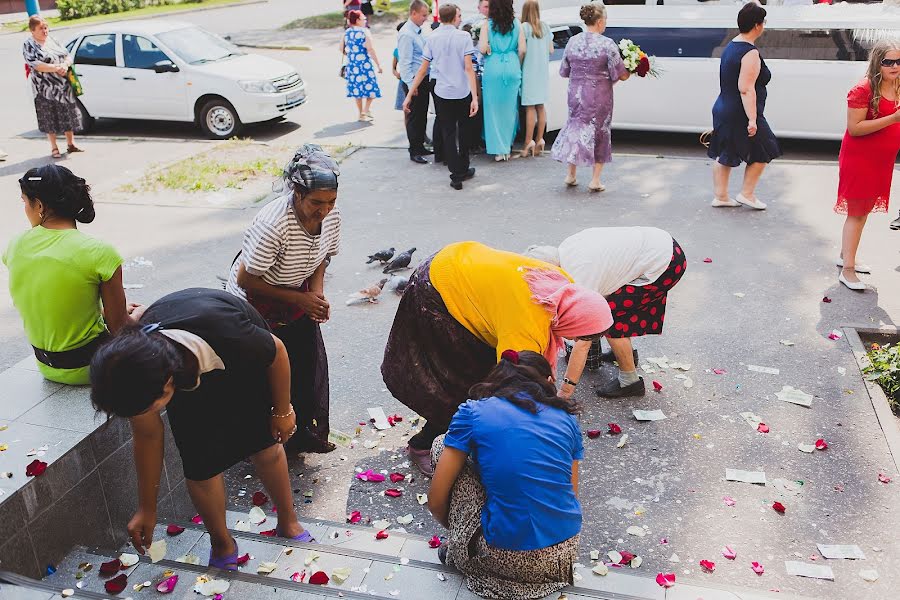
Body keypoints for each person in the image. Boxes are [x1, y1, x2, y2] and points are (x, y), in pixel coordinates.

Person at [90, 289, 314, 571]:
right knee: (200, 465)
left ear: (167, 383)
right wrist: (147, 507)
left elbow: (276, 351)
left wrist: (283, 410)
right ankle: (222, 542)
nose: (144, 415)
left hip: (241, 365)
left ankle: (288, 521)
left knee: (266, 446)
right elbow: (147, 435)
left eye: (148, 408)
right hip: (186, 370)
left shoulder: (227, 332)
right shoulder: (135, 374)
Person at [381, 241, 613, 476]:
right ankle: (422, 446)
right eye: (576, 335)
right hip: (439, 290)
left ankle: (456, 440)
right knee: (460, 388)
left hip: (455, 261)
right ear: (574, 321)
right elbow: (513, 389)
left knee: (482, 374)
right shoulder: (526, 325)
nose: (571, 339)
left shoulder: (563, 286)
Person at [429, 350, 582, 599]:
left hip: (505, 557)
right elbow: (571, 493)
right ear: (549, 381)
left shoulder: (474, 413)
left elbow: (435, 502)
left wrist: (460, 533)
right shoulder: (567, 420)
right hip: (563, 554)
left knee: (440, 445)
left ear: (497, 381)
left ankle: (463, 550)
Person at [226, 145, 341, 454]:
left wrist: (315, 292)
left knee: (303, 368)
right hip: (255, 303)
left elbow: (322, 256)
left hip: (295, 295)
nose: (324, 210)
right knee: (269, 376)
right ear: (297, 194)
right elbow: (246, 279)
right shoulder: (272, 224)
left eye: (331, 202)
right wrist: (300, 299)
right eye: (316, 203)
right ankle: (265, 445)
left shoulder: (331, 216)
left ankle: (300, 435)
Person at [3, 165, 134, 385]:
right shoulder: (99, 252)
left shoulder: (14, 246)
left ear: (40, 206)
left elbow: (54, 298)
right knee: (149, 316)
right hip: (91, 367)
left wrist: (103, 312)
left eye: (25, 201)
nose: (25, 208)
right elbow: (119, 326)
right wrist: (137, 318)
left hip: (46, 366)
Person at [526, 227, 687, 398]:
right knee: (614, 307)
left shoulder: (580, 274)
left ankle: (630, 382)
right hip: (661, 242)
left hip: (667, 262)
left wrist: (565, 391)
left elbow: (584, 339)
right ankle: (626, 354)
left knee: (612, 319)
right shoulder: (567, 248)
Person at [834, 41, 900, 290]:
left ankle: (845, 256)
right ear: (877, 63)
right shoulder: (863, 90)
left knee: (864, 210)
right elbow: (855, 128)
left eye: (899, 61)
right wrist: (892, 118)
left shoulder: (897, 84)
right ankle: (848, 271)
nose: (895, 66)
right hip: (860, 159)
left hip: (881, 161)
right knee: (857, 212)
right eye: (889, 62)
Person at [707, 2, 781, 210]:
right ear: (757, 26)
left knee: (726, 150)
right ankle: (747, 193)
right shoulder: (750, 53)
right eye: (763, 22)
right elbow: (746, 88)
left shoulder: (731, 46)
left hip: (723, 107)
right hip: (742, 111)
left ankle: (721, 196)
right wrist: (752, 119)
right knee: (766, 148)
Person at [551, 3, 630, 192]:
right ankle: (595, 179)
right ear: (600, 21)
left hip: (576, 95)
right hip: (599, 96)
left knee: (576, 128)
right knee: (600, 132)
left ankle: (571, 174)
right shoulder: (607, 44)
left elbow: (564, 71)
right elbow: (621, 74)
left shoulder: (573, 42)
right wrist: (632, 68)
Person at [404, 3, 480, 191]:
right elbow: (469, 68)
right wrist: (475, 97)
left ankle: (455, 174)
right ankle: (462, 167)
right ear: (454, 18)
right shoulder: (464, 37)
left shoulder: (432, 38)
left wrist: (409, 94)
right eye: (459, 16)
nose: (461, 19)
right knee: (463, 131)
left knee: (448, 132)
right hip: (462, 92)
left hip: (442, 93)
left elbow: (423, 70)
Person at [22, 15, 83, 160]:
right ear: (32, 30)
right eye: (41, 28)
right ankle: (54, 147)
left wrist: (64, 65)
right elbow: (35, 64)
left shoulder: (53, 40)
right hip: (45, 89)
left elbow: (68, 56)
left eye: (46, 27)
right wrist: (56, 68)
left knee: (67, 114)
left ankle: (71, 143)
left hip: (63, 86)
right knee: (50, 117)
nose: (45, 31)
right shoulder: (29, 44)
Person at [479, 0, 525, 161]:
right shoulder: (517, 23)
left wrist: (490, 51)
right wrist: (516, 64)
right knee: (510, 109)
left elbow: (483, 49)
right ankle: (507, 147)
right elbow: (522, 50)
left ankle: (498, 150)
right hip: (512, 65)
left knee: (493, 110)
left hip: (493, 66)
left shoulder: (487, 24)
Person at [398, 0, 433, 164]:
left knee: (422, 114)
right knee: (414, 117)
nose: (426, 18)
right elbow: (404, 62)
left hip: (424, 77)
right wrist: (412, 85)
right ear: (413, 13)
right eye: (423, 15)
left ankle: (420, 146)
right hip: (413, 80)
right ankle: (414, 150)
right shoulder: (406, 33)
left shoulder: (421, 30)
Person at [519, 0, 552, 157]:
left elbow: (522, 51)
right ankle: (540, 140)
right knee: (541, 106)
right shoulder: (545, 27)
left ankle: (528, 142)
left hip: (528, 70)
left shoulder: (524, 27)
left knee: (530, 107)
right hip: (542, 71)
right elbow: (551, 49)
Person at [341, 10, 382, 122]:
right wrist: (378, 65)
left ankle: (361, 114)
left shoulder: (347, 32)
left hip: (352, 65)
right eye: (363, 19)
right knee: (372, 88)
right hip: (364, 65)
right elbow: (370, 49)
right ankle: (366, 110)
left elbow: (341, 48)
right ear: (358, 20)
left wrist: (352, 54)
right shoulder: (364, 32)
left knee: (357, 91)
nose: (365, 20)